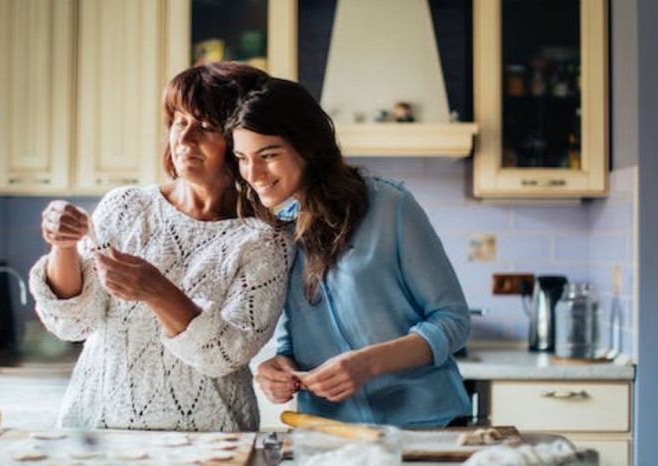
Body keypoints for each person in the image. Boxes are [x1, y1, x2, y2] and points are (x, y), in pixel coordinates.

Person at [29, 62, 293, 431]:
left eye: (204, 127)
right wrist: (63, 246)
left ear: (240, 141)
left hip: (210, 439)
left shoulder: (265, 238)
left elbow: (225, 354)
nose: (184, 140)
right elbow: (73, 322)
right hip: (97, 429)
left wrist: (157, 291)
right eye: (178, 122)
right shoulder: (126, 207)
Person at [226, 78, 471, 428]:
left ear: (307, 146)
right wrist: (281, 364)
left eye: (268, 155)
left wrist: (366, 364)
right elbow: (295, 327)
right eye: (242, 158)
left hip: (425, 426)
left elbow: (453, 321)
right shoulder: (275, 230)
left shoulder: (390, 206)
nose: (253, 173)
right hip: (332, 432)